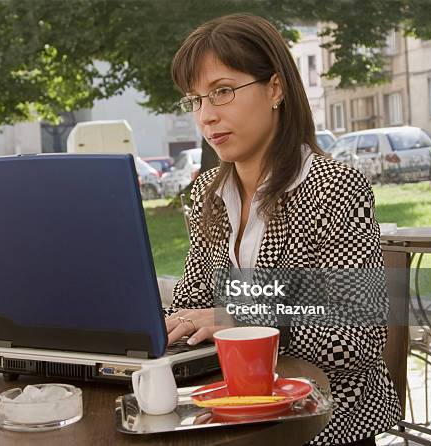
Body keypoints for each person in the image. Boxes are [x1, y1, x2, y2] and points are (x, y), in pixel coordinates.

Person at [163, 13, 401, 446]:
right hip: (234, 411)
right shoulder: (206, 193)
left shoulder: (334, 187)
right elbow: (192, 304)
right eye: (195, 99)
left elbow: (357, 334)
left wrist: (238, 316)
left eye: (222, 92)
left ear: (275, 88)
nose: (206, 116)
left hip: (325, 419)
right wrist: (164, 325)